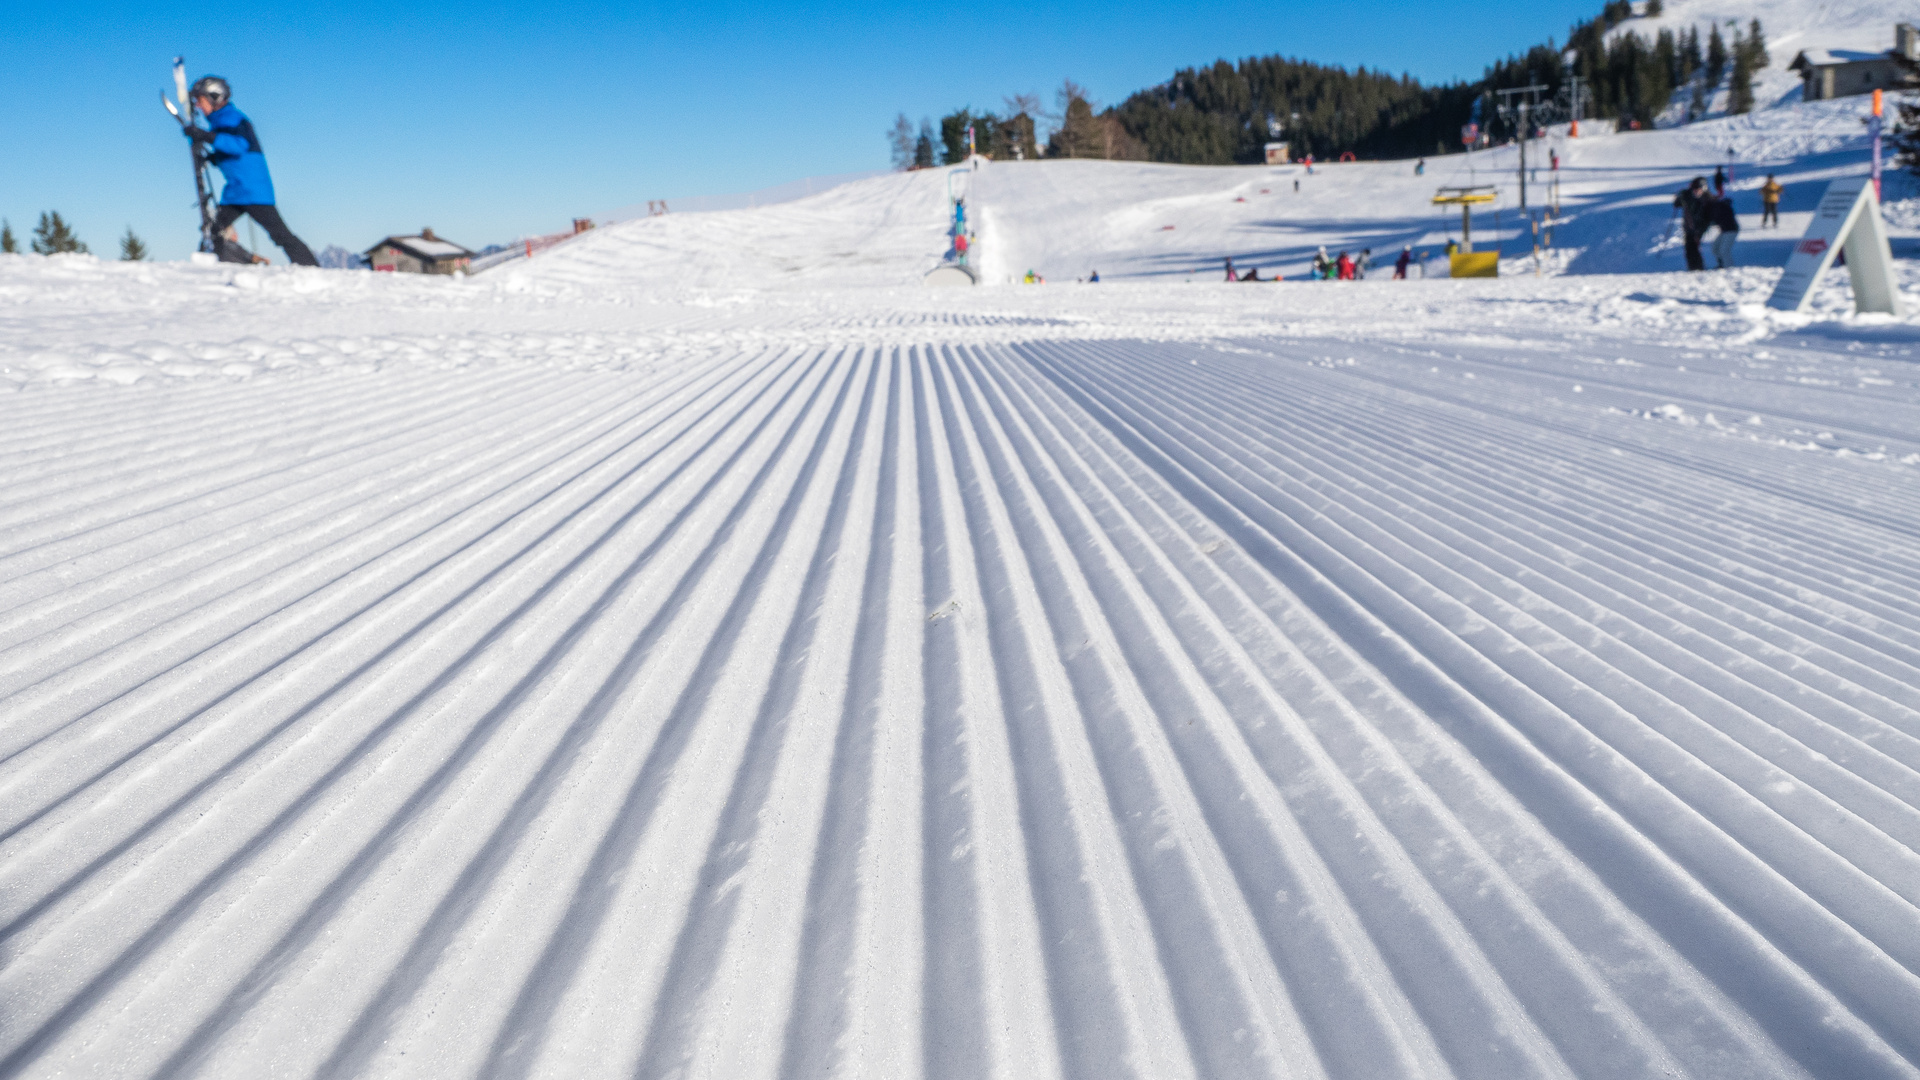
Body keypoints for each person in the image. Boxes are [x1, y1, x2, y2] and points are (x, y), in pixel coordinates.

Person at [182, 76, 318, 266]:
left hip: (253, 191)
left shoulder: (233, 118)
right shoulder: (220, 121)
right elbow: (231, 153)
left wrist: (205, 136)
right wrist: (212, 157)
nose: (197, 106)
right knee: (213, 231)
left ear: (215, 97)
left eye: (200, 100)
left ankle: (311, 268)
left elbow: (239, 145)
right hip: (236, 192)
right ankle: (213, 267)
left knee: (280, 234)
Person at [1674, 176, 1711, 271]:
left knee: (1694, 248)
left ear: (1703, 189)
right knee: (1689, 249)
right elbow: (1677, 204)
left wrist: (1701, 228)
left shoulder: (1706, 199)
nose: (1696, 191)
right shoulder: (1687, 196)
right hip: (1689, 227)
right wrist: (1680, 197)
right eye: (1695, 189)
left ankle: (1698, 268)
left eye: (1698, 189)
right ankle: (1693, 268)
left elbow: (1707, 217)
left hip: (1699, 228)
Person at [1710, 193, 1739, 268]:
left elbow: (1718, 218)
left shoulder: (1720, 206)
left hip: (1731, 230)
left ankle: (1729, 268)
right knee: (1715, 248)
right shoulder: (1717, 206)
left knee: (1724, 250)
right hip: (1725, 230)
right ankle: (1722, 264)